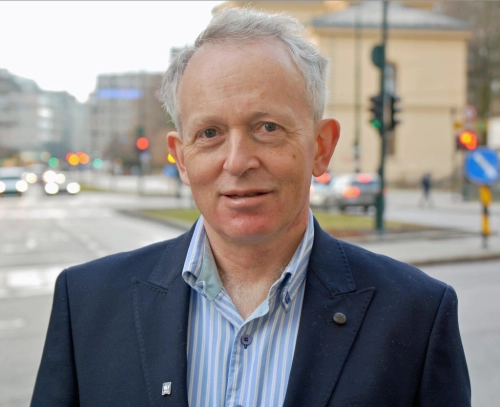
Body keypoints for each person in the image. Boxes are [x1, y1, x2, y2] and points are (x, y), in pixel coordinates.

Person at [31, 8, 470, 407]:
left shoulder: (416, 317)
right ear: (181, 158)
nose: (238, 161)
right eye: (209, 133)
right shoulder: (86, 303)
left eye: (268, 127)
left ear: (321, 147)